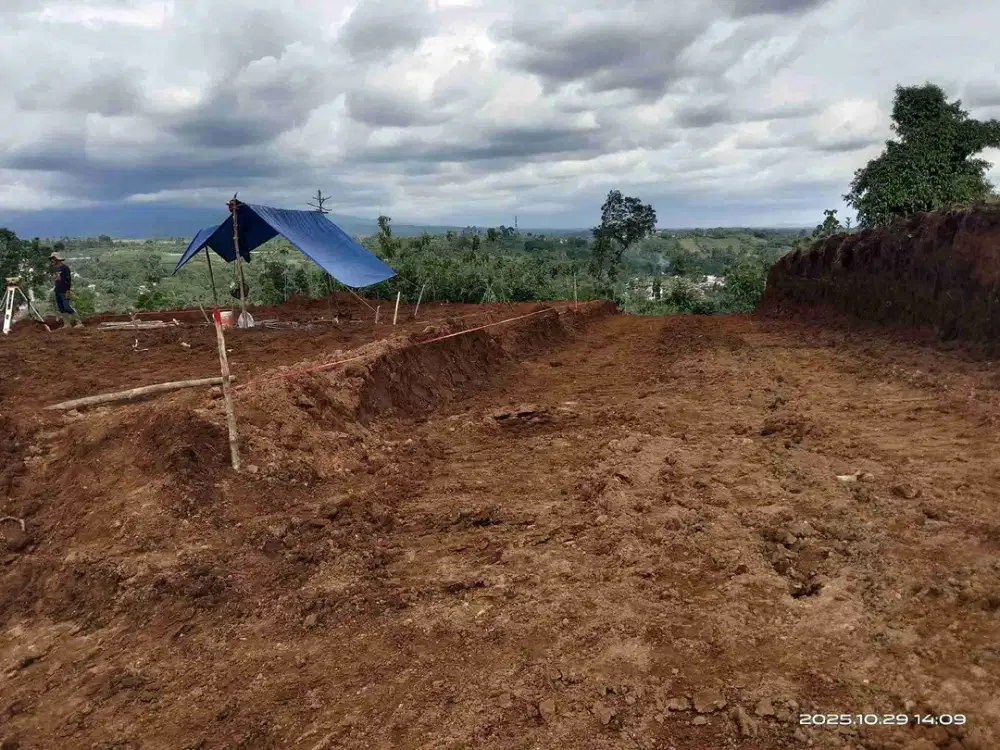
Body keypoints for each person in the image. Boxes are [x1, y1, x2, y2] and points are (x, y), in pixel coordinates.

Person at [49, 250, 83, 329]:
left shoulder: (65, 268)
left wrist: (68, 290)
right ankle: (67, 324)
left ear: (57, 259)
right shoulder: (56, 268)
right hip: (58, 290)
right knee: (61, 307)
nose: (52, 260)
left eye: (53, 259)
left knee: (67, 306)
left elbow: (68, 280)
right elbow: (58, 279)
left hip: (64, 290)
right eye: (51, 259)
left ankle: (79, 322)